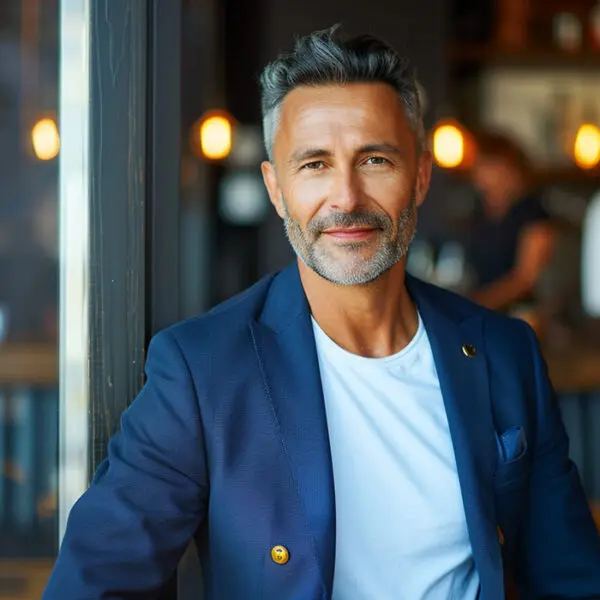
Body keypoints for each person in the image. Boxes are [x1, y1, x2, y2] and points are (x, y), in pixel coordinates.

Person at [43, 26, 600, 600]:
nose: (347, 197)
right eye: (313, 165)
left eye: (376, 159)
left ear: (422, 177)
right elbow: (96, 580)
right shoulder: (202, 369)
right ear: (276, 188)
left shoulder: (506, 353)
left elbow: (573, 578)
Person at [466, 131, 556, 312]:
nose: (481, 175)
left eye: (489, 167)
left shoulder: (532, 215)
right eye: (479, 166)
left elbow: (525, 280)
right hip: (482, 312)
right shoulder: (478, 213)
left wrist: (477, 304)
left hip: (522, 314)